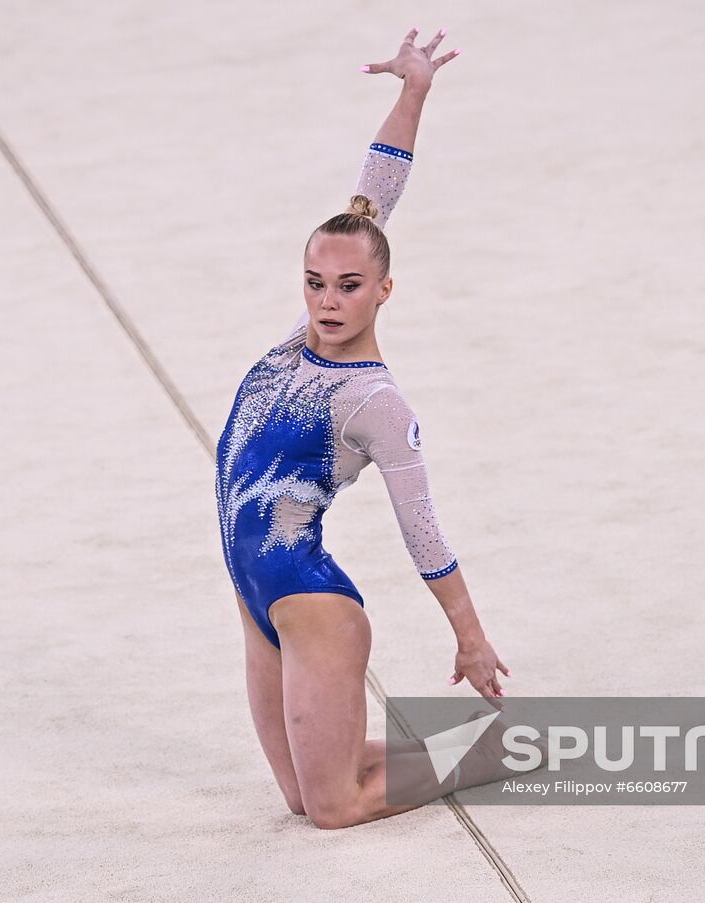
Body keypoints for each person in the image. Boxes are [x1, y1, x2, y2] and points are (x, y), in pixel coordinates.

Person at [214, 26, 508, 829]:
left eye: (348, 285)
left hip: (310, 601)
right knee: (299, 797)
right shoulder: (298, 345)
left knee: (332, 809)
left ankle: (496, 750)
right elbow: (374, 194)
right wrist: (412, 93)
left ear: (384, 291)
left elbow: (424, 531)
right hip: (255, 592)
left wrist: (472, 640)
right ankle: (464, 743)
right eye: (314, 283)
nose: (327, 300)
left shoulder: (376, 402)